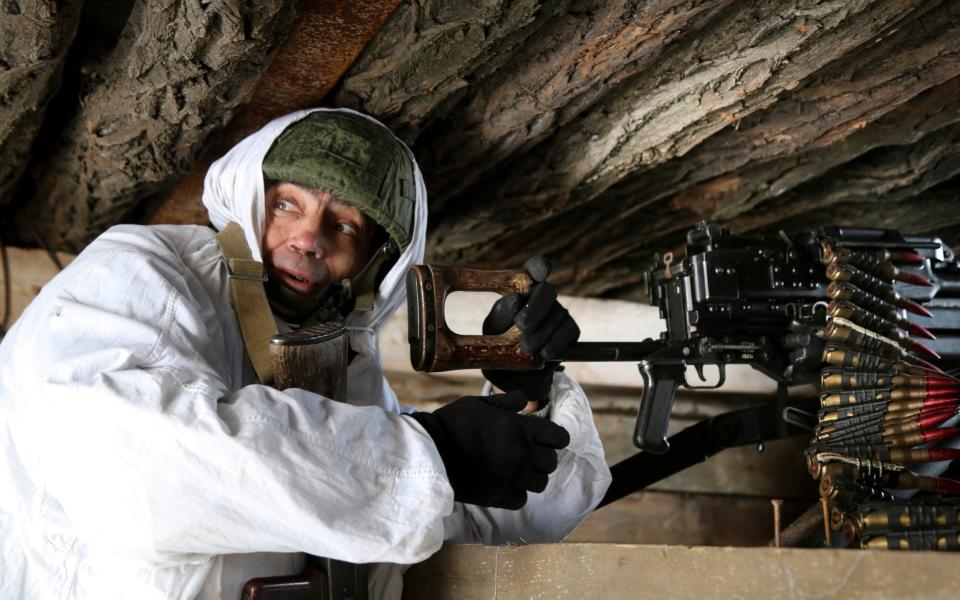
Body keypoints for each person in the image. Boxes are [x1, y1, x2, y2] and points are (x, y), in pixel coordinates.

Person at [0, 108, 612, 599]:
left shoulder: (348, 375)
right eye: (286, 203)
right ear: (248, 195)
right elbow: (134, 468)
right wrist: (434, 453)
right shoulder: (144, 278)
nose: (308, 239)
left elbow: (441, 524)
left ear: (376, 262)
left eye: (343, 226)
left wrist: (523, 392)